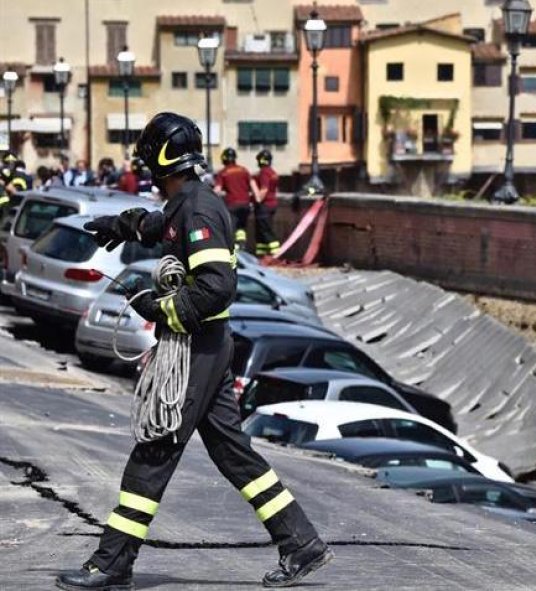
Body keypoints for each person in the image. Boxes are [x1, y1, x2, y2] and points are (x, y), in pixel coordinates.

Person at [56, 112, 331, 591]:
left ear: (162, 158)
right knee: (232, 452)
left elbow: (215, 287)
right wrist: (114, 226)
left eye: (147, 157)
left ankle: (112, 562)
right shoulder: (187, 203)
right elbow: (155, 224)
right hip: (209, 346)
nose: (144, 166)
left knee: (156, 447)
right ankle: (300, 542)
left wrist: (160, 309)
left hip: (198, 346)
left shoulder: (199, 210)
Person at [213, 147, 258, 249]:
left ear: (224, 159)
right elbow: (253, 186)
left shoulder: (223, 172)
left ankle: (233, 249)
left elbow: (218, 189)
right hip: (245, 205)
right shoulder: (244, 170)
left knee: (230, 228)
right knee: (241, 227)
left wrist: (209, 198)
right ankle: (241, 245)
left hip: (232, 205)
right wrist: (257, 199)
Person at [252, 149, 281, 257]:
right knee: (261, 231)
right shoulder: (273, 172)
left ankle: (276, 253)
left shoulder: (264, 172)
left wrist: (257, 199)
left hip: (264, 205)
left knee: (265, 230)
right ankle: (261, 254)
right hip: (272, 204)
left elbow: (264, 189)